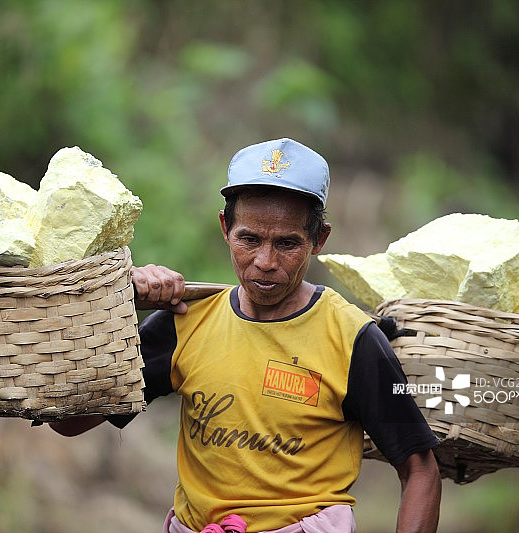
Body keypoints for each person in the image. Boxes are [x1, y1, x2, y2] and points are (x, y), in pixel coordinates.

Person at [50, 138, 441, 533]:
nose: (265, 262)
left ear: (319, 240)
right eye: (249, 239)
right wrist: (111, 305)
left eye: (287, 244)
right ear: (225, 227)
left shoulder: (352, 338)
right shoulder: (184, 321)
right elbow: (68, 424)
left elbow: (420, 469)